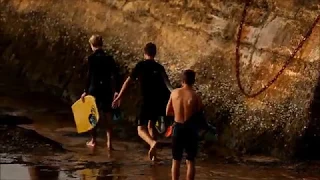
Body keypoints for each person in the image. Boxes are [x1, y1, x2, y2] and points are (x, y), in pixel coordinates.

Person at [112, 42, 172, 161]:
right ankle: (154, 157)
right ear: (154, 53)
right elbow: (168, 87)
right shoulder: (160, 68)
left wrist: (120, 97)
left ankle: (152, 143)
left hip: (145, 101)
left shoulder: (140, 66)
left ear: (144, 53)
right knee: (151, 126)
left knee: (140, 129)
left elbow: (128, 82)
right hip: (157, 102)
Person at [81, 34, 120, 150]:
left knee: (92, 116)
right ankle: (109, 143)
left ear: (92, 45)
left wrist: (85, 91)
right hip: (107, 89)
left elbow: (89, 76)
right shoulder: (109, 58)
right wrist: (116, 90)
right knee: (108, 115)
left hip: (94, 89)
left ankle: (93, 140)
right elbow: (115, 75)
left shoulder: (91, 59)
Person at [166, 70, 203, 180]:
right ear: (193, 81)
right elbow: (200, 113)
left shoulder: (174, 93)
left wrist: (177, 114)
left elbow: (167, 111)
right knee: (190, 160)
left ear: (182, 80)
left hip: (177, 128)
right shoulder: (195, 95)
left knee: (176, 160)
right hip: (190, 129)